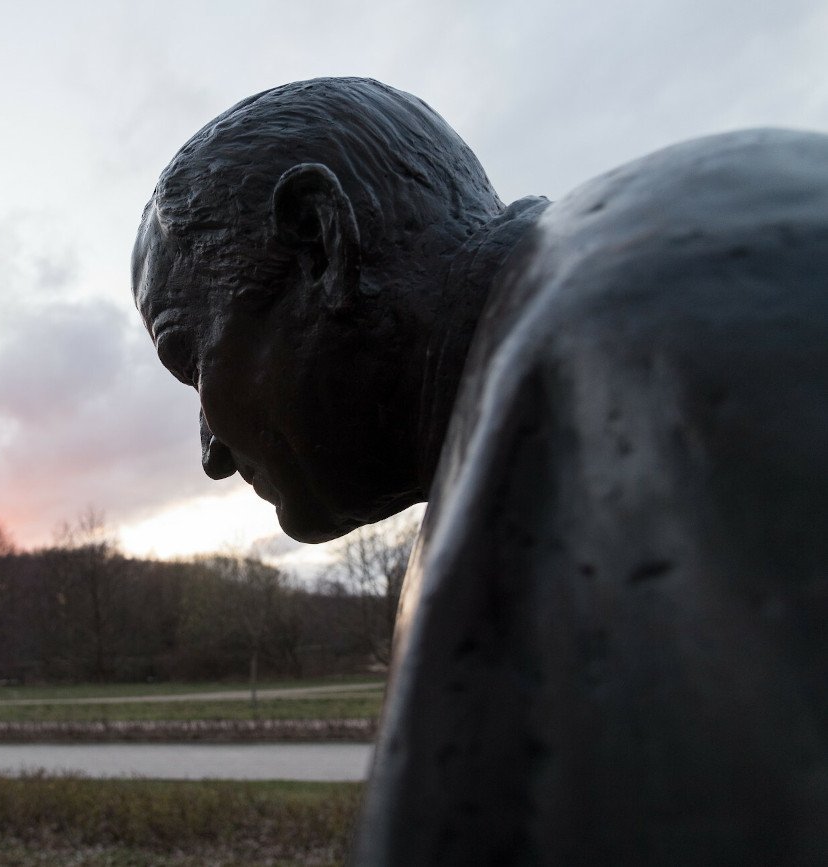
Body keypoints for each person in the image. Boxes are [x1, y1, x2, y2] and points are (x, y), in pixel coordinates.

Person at [132, 77, 828, 865]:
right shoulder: (536, 377)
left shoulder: (627, 339)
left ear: (320, 242)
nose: (211, 453)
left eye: (191, 359)